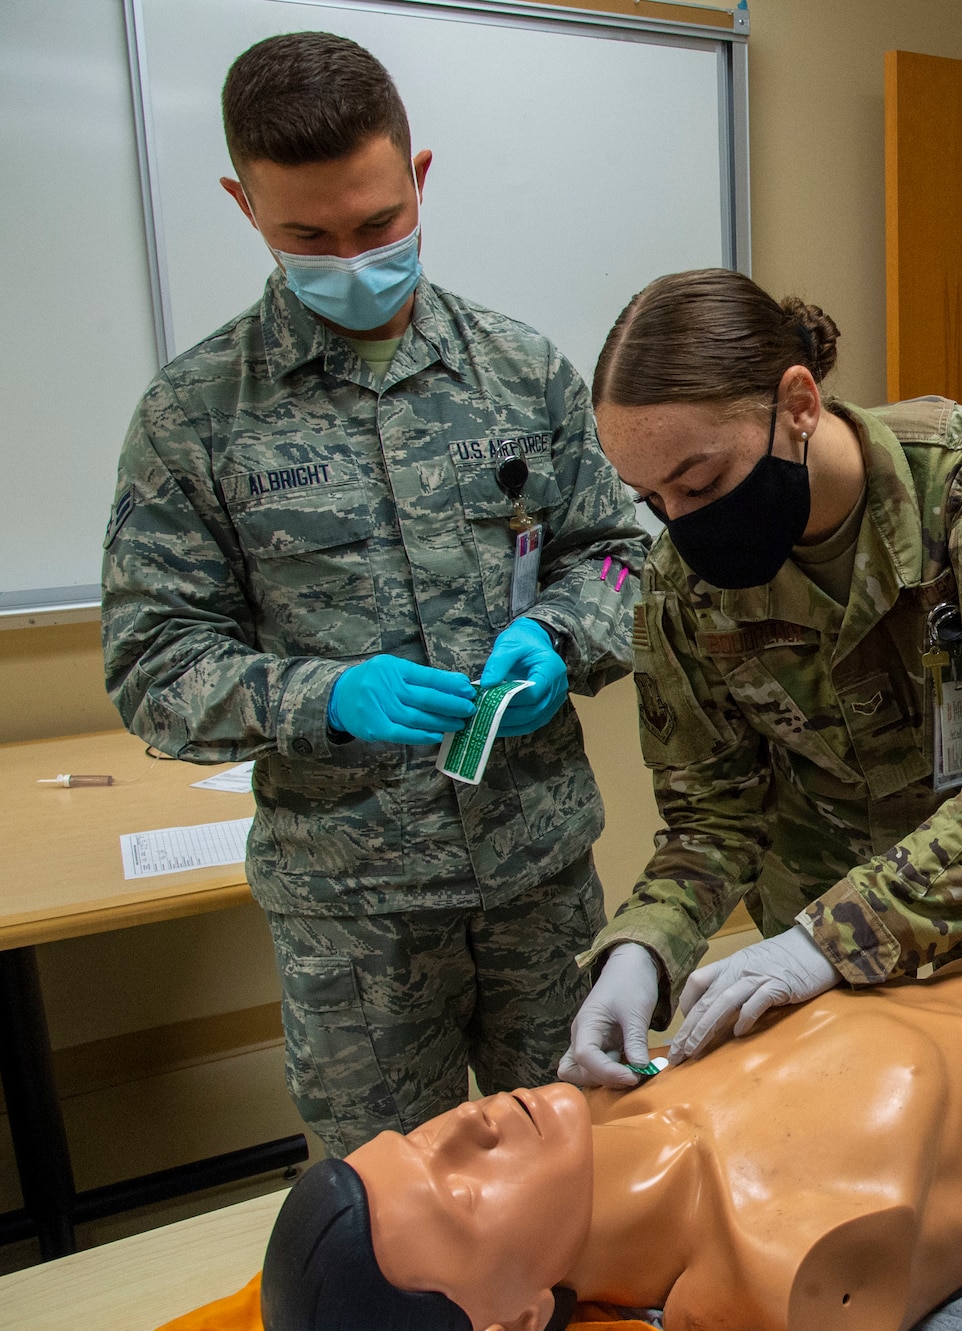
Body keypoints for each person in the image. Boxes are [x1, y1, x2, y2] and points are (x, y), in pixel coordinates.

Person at [100, 33, 646, 1156]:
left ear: (420, 176)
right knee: (392, 1215)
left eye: (379, 223)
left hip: (537, 871)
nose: (352, 257)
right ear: (242, 203)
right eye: (309, 234)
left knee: (588, 1166)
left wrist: (558, 631)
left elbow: (619, 554)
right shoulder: (195, 414)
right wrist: (323, 695)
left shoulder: (519, 367)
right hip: (351, 912)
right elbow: (153, 662)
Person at [561, 270, 962, 1081]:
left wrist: (837, 936)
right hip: (803, 938)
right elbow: (714, 816)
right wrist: (644, 945)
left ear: (798, 404)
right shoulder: (684, 585)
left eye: (702, 481)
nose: (682, 522)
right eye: (653, 499)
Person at [259, 942, 962, 1331]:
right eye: (453, 1188)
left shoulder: (616, 1093)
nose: (465, 1122)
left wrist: (642, 949)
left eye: (422, 1134)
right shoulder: (786, 1265)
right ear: (518, 1317)